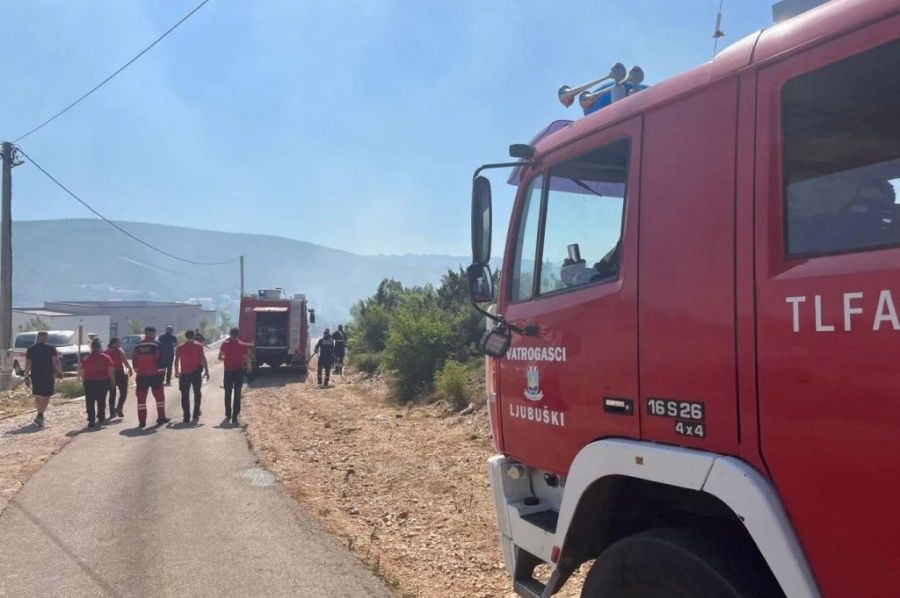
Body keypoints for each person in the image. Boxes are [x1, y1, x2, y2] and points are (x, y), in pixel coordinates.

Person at [131, 326, 171, 428]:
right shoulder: (157, 344)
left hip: (142, 376)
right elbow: (162, 359)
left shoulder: (137, 345)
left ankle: (142, 422)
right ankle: (161, 417)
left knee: (141, 400)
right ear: (153, 333)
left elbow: (134, 359)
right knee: (159, 398)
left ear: (145, 333)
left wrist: (137, 371)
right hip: (155, 375)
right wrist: (162, 374)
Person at [23, 331, 64, 427]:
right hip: (48, 375)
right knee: (46, 395)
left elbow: (28, 363)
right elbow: (55, 361)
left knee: (38, 395)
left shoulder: (31, 349)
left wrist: (26, 376)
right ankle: (40, 415)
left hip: (36, 375)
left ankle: (39, 414)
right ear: (46, 338)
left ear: (37, 338)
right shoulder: (51, 348)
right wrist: (60, 372)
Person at [175, 330, 209, 423]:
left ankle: (186, 416)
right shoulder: (199, 346)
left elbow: (176, 360)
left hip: (184, 374)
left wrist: (177, 371)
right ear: (194, 336)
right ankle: (196, 413)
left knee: (184, 395)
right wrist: (207, 371)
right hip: (196, 374)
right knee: (197, 393)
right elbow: (203, 359)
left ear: (186, 336)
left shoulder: (180, 347)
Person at [80, 338, 115, 428]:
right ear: (100, 347)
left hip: (89, 381)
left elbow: (82, 371)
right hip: (103, 381)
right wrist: (113, 382)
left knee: (90, 401)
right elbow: (110, 371)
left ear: (91, 348)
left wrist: (83, 380)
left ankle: (91, 420)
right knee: (101, 400)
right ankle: (101, 417)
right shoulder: (106, 357)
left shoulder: (86, 358)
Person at [218, 327, 250, 425]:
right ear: (238, 335)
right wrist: (249, 367)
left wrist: (226, 358)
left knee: (227, 393)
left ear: (230, 334)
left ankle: (228, 414)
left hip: (228, 372)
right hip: (238, 371)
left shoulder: (224, 344)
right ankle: (235, 416)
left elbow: (220, 357)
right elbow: (246, 358)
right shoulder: (242, 345)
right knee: (237, 393)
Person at [105, 337, 134, 418]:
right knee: (123, 392)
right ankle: (119, 407)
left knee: (112, 394)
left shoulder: (106, 351)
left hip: (109, 374)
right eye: (119, 342)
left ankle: (112, 412)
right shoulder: (119, 350)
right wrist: (130, 369)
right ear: (115, 343)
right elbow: (124, 361)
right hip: (119, 373)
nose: (120, 343)